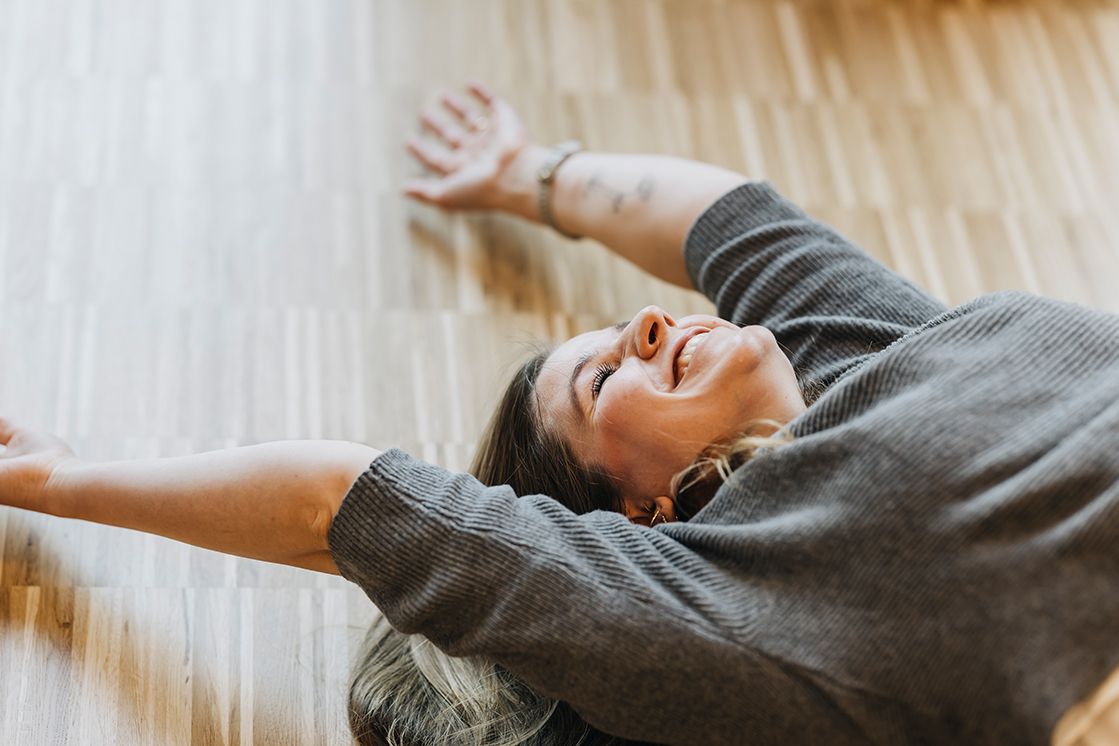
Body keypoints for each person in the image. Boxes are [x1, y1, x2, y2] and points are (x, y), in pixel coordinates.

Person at [1, 83, 1117, 746]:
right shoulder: (711, 593)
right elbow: (335, 495)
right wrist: (61, 480)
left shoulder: (874, 349)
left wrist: (527, 171)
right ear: (637, 511)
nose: (647, 324)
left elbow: (724, 220)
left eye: (631, 330)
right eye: (601, 381)